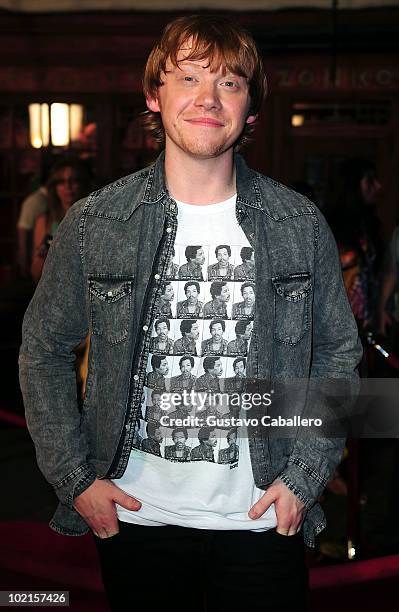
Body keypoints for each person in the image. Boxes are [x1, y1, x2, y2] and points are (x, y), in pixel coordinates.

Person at [19, 14, 361, 612]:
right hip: (132, 519)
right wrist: (75, 479)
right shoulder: (96, 223)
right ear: (154, 94)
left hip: (262, 520)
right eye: (189, 77)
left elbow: (337, 355)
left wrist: (304, 477)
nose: (208, 98)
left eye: (229, 83)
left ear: (251, 108)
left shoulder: (298, 224)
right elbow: (43, 350)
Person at [30, 160, 90, 284]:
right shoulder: (45, 221)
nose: (68, 186)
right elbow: (35, 273)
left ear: (82, 184)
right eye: (61, 182)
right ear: (54, 187)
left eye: (73, 180)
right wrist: (45, 252)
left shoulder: (92, 219)